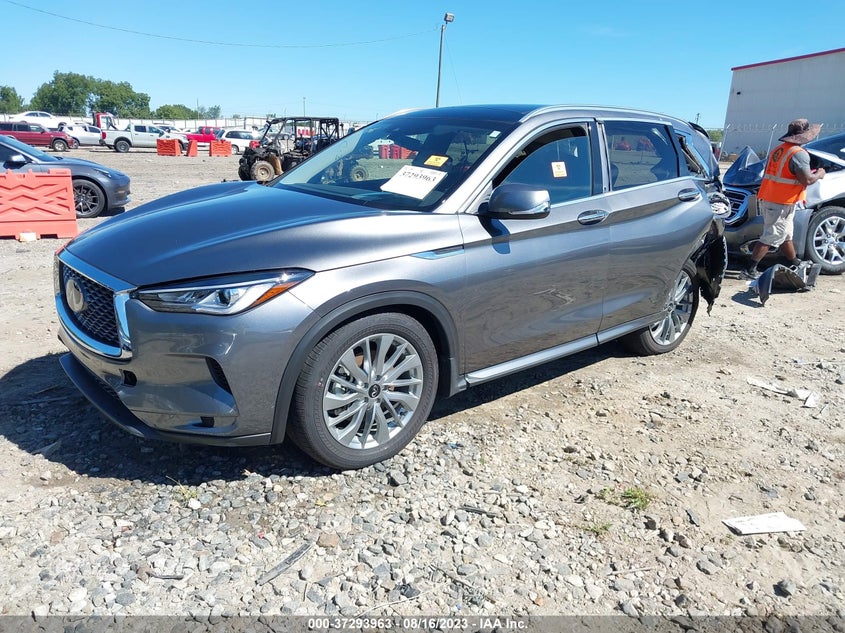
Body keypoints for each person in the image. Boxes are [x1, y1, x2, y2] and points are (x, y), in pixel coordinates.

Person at [741, 118, 826, 280]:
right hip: (782, 202)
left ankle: (794, 262)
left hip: (771, 197)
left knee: (786, 234)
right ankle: (749, 269)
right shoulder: (799, 154)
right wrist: (820, 174)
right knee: (771, 236)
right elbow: (806, 180)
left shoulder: (779, 150)